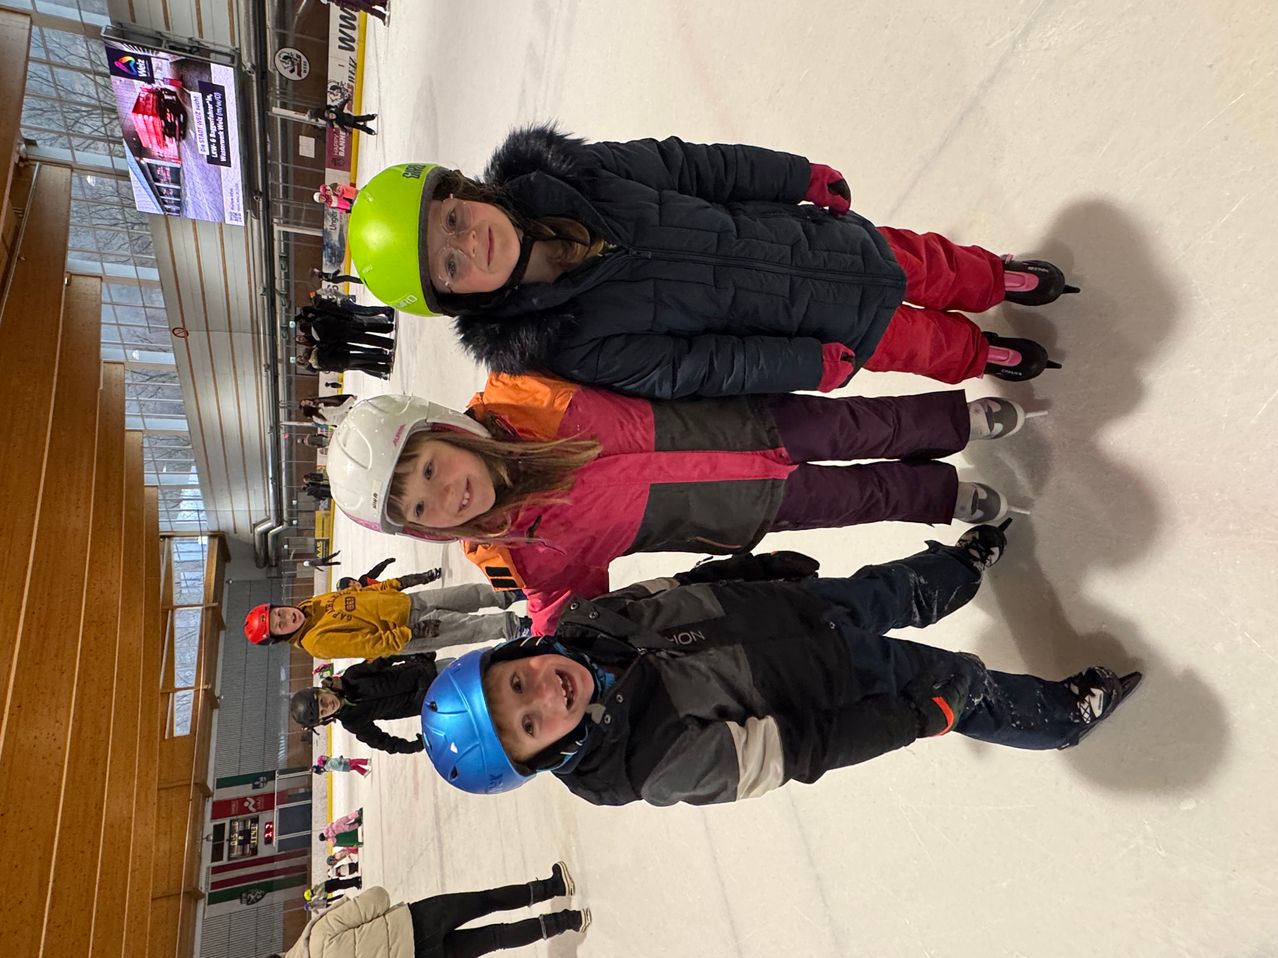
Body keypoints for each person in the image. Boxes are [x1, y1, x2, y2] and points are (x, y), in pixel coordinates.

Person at [418, 524, 1142, 806]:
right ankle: (1059, 720)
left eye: (518, 683)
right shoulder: (650, 764)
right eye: (532, 723)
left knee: (888, 590)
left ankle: (958, 566)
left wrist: (751, 568)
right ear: (544, 755)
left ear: (515, 654)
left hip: (793, 611)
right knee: (964, 681)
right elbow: (799, 750)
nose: (546, 693)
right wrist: (919, 717)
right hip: (838, 683)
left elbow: (676, 594)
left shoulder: (582, 622)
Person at [346, 129, 1075, 398]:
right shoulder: (567, 342)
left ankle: (992, 277)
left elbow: (692, 166)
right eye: (450, 264)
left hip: (807, 242)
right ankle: (981, 351)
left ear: (462, 190)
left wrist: (795, 177)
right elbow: (697, 368)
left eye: (453, 218)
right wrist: (803, 367)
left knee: (924, 260)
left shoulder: (577, 173)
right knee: (918, 343)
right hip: (808, 325)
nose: (470, 241)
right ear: (458, 299)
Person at [326, 375, 1029, 632]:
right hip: (738, 510)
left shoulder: (521, 394)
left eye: (428, 466)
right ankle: (947, 494)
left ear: (440, 426)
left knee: (860, 424)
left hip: (738, 420)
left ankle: (956, 421)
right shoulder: (524, 556)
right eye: (420, 508)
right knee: (859, 497)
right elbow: (558, 618)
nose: (445, 493)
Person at [274, 871, 587, 958]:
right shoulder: (317, 935)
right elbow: (378, 897)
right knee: (485, 901)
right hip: (415, 922)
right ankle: (553, 886)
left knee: (496, 938)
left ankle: (569, 922)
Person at [243, 570, 528, 659]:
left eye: (279, 613)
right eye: (280, 625)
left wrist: (396, 585)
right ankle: (522, 627)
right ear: (281, 637)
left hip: (405, 601)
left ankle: (513, 593)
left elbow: (359, 595)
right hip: (404, 630)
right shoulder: (316, 643)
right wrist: (412, 633)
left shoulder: (311, 604)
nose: (286, 618)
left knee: (469, 594)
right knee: (469, 627)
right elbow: (369, 645)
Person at [291, 654, 438, 754]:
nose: (328, 706)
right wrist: (414, 746)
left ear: (322, 690)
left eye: (323, 701)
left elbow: (383, 658)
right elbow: (382, 742)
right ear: (325, 719)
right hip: (430, 702)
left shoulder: (352, 676)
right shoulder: (352, 722)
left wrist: (413, 655)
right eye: (323, 712)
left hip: (428, 672)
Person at [309, 95, 377, 135]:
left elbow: (341, 105)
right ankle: (371, 131)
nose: (333, 116)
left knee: (362, 118)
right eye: (331, 117)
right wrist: (346, 131)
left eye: (332, 114)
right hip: (349, 124)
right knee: (360, 127)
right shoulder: (336, 121)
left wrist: (346, 99)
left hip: (351, 118)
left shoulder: (337, 111)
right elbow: (341, 127)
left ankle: (372, 116)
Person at [317, 0, 389, 25]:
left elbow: (346, 5)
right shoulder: (336, 1)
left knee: (368, 8)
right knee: (369, 3)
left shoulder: (337, 1)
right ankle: (383, 3)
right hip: (355, 2)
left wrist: (353, 8)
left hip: (355, 2)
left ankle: (383, 16)